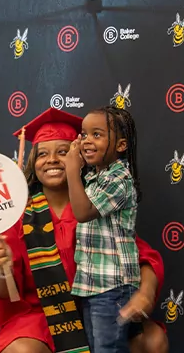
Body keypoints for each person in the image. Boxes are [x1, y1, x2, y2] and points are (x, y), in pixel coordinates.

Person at [0, 108, 168, 353]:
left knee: (152, 341)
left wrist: (145, 294)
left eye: (64, 152)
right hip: (40, 315)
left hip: (96, 307)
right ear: (33, 162)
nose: (53, 160)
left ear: (80, 157)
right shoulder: (18, 215)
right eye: (42, 153)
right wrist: (3, 270)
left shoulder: (96, 204)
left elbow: (140, 257)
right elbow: (5, 293)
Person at [65, 106, 141, 352]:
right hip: (92, 285)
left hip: (113, 287)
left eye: (97, 135)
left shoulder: (119, 179)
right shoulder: (93, 179)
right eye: (84, 134)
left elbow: (83, 213)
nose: (87, 140)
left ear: (120, 146)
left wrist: (71, 170)